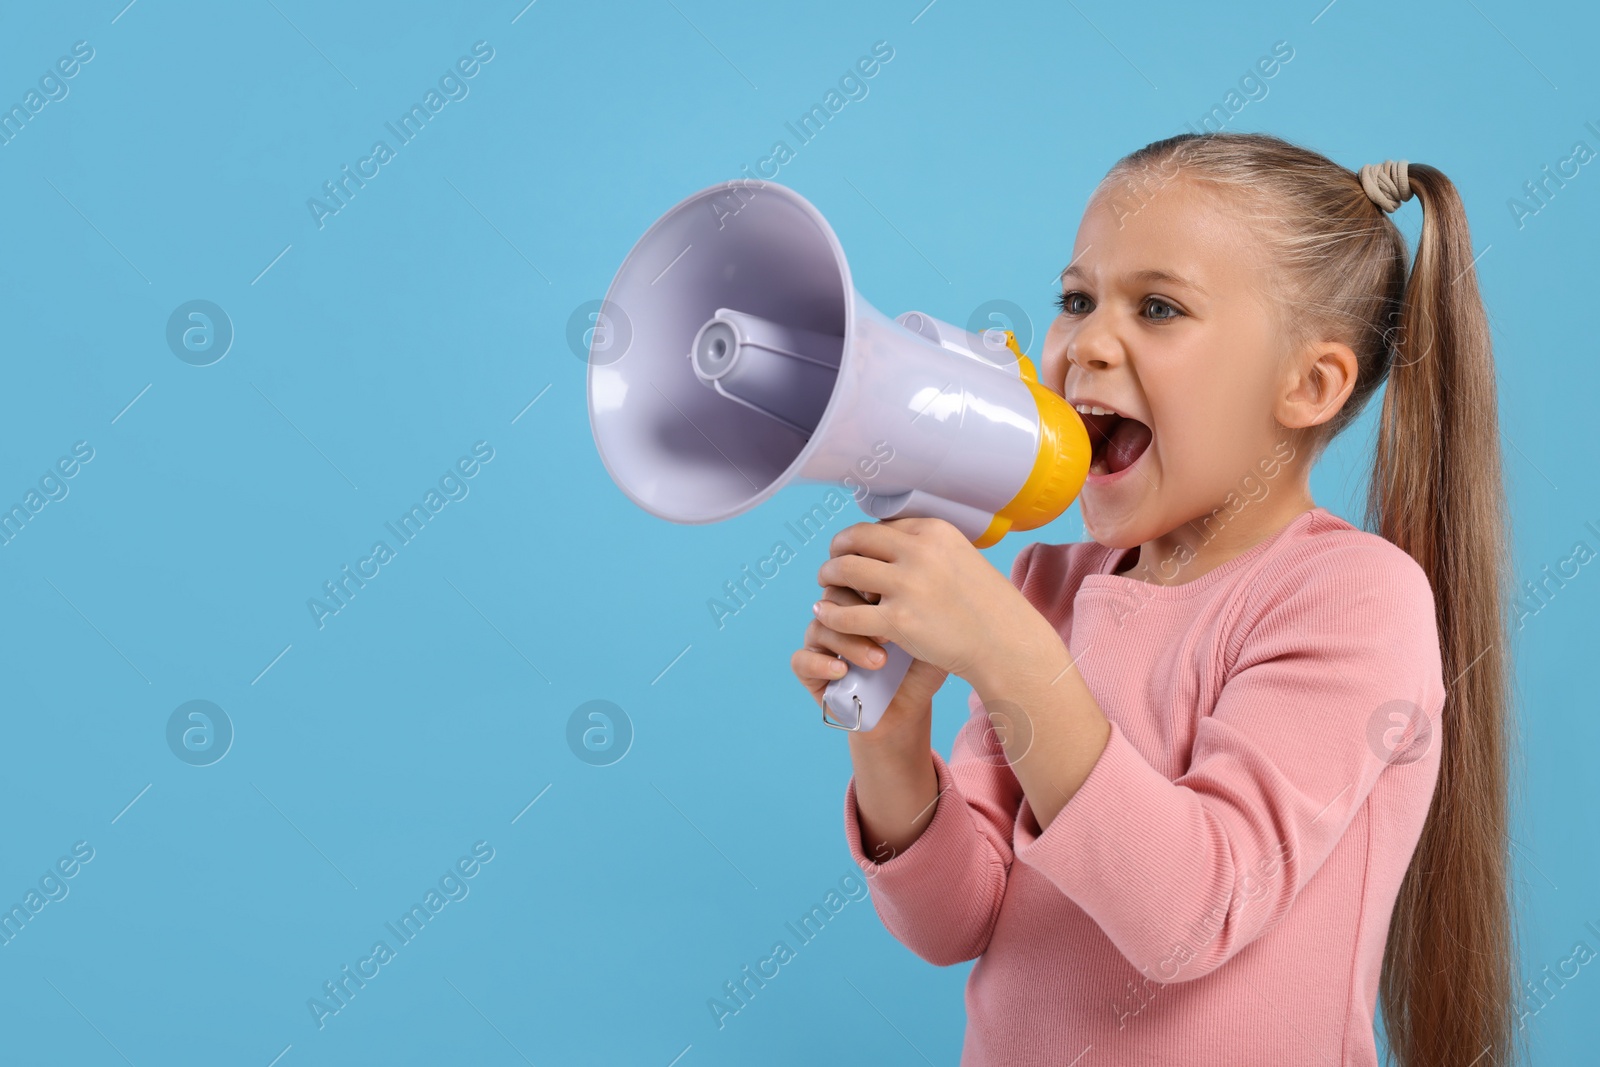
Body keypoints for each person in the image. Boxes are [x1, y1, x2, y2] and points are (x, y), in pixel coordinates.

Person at [791, 131, 1517, 1067]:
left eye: (1160, 306)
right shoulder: (1052, 586)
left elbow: (1192, 911)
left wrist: (1011, 657)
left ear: (1310, 384)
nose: (1086, 342)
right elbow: (955, 920)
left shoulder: (1352, 598)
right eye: (1076, 299)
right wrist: (892, 731)